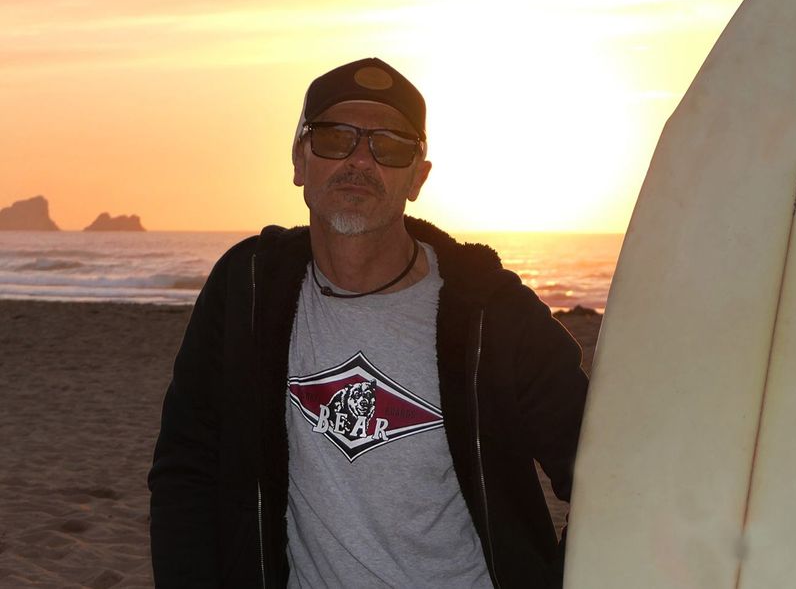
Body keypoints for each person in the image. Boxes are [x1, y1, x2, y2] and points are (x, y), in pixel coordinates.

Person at [148, 58, 589, 588]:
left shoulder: (492, 313)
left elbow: (605, 474)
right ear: (298, 160)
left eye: (390, 146)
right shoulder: (248, 289)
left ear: (417, 178)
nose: (360, 160)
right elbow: (188, 466)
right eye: (335, 138)